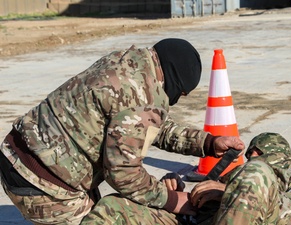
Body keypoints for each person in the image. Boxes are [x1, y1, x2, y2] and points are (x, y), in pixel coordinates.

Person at [0, 38, 245, 225]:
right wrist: (173, 201)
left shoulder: (130, 63)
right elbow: (124, 174)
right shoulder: (145, 97)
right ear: (175, 82)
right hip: (42, 183)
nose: (174, 102)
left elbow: (148, 125)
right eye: (180, 95)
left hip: (17, 155)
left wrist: (209, 143)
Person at [163, 132, 291, 224]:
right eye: (250, 153)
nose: (252, 156)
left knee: (255, 173)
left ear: (280, 157)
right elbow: (203, 202)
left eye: (260, 152)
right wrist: (170, 189)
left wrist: (232, 193)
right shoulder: (238, 175)